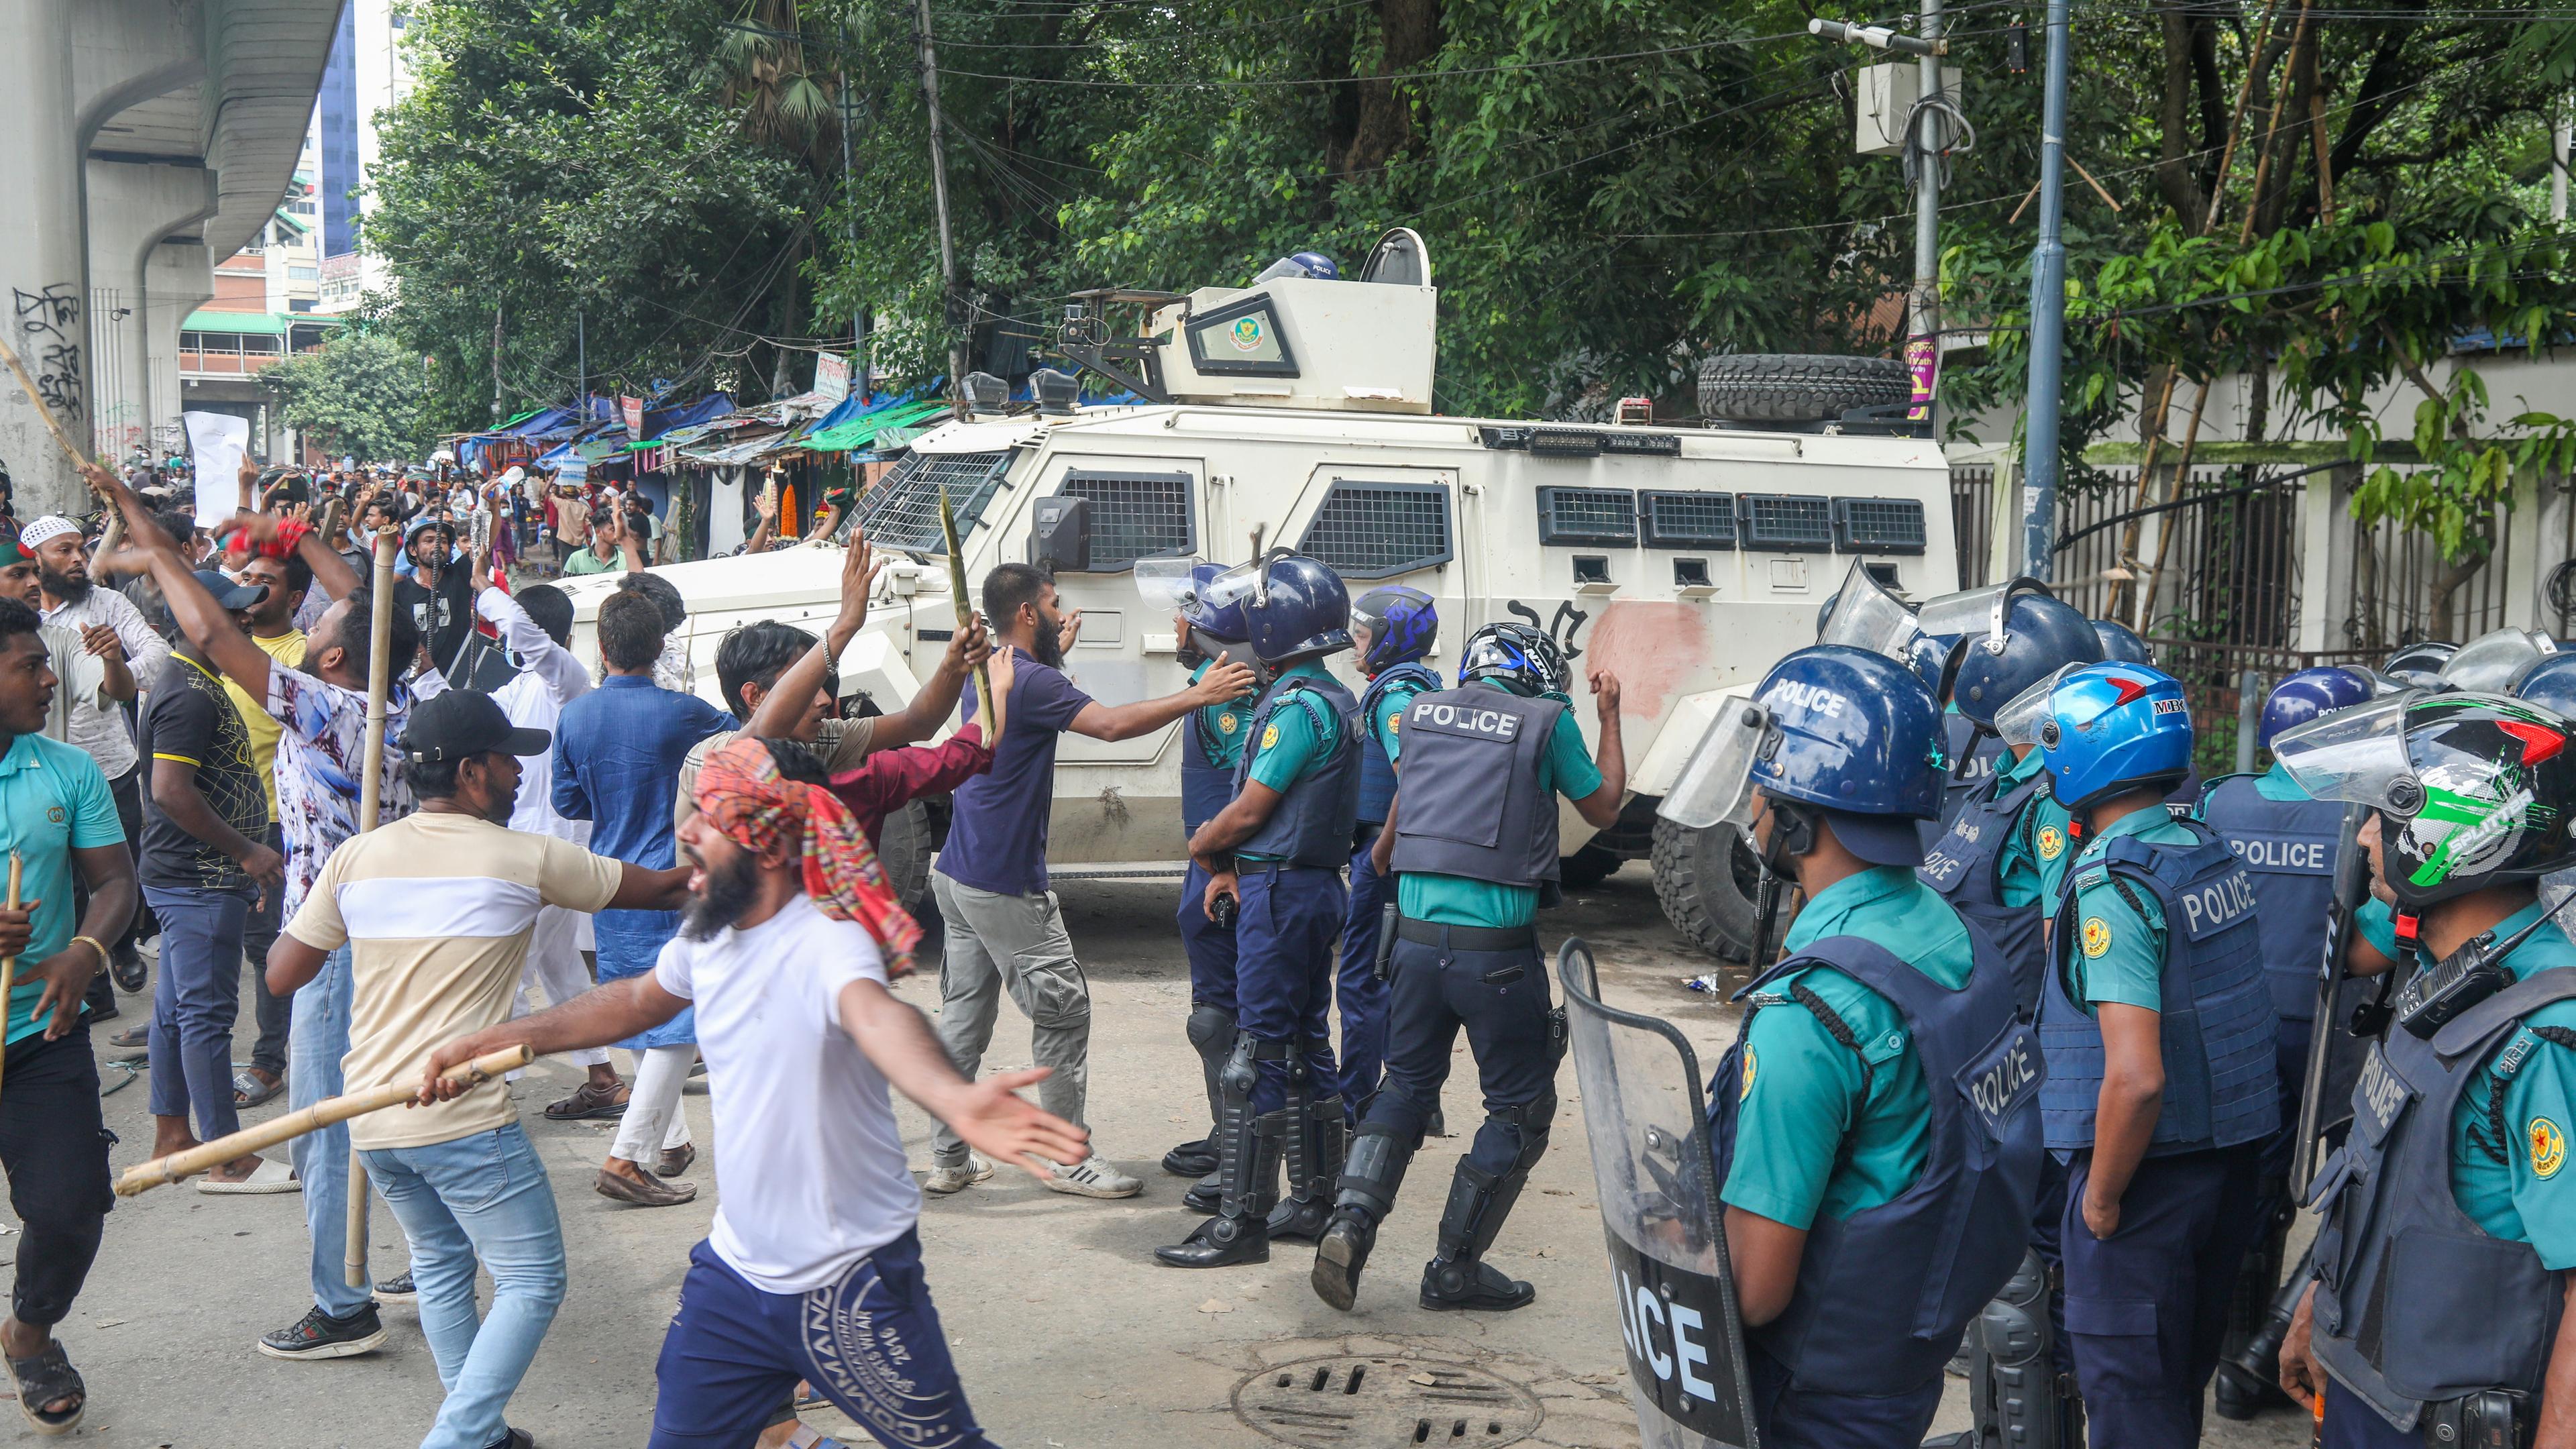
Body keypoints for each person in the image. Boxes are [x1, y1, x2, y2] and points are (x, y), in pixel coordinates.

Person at [414, 737, 1085, 1449]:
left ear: (766, 847)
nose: (685, 832)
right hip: (732, 1280)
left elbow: (880, 1016)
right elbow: (637, 1001)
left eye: (709, 818)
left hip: (847, 1286)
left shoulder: (827, 942)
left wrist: (952, 1098)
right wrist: (497, 1038)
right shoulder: (711, 935)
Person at [267, 689, 690, 1449]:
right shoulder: (522, 856)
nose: (519, 774)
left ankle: (479, 1430)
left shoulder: (356, 857)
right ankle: (458, 1439)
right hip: (460, 1120)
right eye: (507, 760)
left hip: (374, 1117)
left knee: (440, 1263)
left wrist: (335, 897)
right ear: (471, 772)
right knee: (534, 1280)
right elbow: (660, 889)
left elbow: (281, 973)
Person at [87, 464, 427, 1360]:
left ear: (334, 656)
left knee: (321, 1127)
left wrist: (162, 558)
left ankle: (341, 1305)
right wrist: (139, 518)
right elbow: (365, 597)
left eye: (319, 621)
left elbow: (204, 624)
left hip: (340, 945)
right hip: (403, 941)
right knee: (405, 1112)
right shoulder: (407, 705)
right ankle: (434, 1264)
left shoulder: (332, 713)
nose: (312, 614)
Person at [1682, 645, 2044, 1446]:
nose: (1751, 807)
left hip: (1808, 1393)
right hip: (1904, 1355)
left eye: (1763, 789)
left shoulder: (1810, 1016)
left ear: (1801, 817)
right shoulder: (1956, 936)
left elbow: (1754, 1294)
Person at [2268, 690, 2576, 1449]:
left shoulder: (2544, 1036)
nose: (2368, 836)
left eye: (2387, 814)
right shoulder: (2444, 980)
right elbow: (2385, 1177)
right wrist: (2319, 1310)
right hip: (2373, 1392)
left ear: (2459, 831)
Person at [1309, 621, 1626, 1309]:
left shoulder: (1419, 713)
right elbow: (1603, 807)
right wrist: (1608, 717)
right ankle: (1453, 1268)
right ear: (1535, 673)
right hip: (1497, 960)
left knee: (1405, 1088)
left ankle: (1350, 1222)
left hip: (1415, 948)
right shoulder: (1546, 722)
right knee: (1519, 1109)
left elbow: (1383, 853)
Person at [924, 561, 1251, 1199]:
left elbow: (1037, 703)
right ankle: (1069, 1158)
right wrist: (1198, 695)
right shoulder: (1034, 678)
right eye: (1052, 604)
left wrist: (1059, 656)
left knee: (964, 1020)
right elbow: (1109, 725)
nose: (1060, 612)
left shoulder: (987, 665)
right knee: (1064, 1014)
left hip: (958, 873)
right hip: (1004, 881)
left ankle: (949, 1158)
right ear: (1026, 613)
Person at [2025, 661, 2279, 1449]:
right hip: (2226, 1169)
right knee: (2173, 1389)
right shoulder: (2202, 846)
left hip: (2145, 1184)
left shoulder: (2114, 884)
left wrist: (2100, 1198)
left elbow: (2136, 1080)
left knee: (2132, 1406)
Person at [1160, 555, 1363, 1267]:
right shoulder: (1335, 698)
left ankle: (1240, 1225)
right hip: (1302, 887)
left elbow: (1251, 808)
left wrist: (1206, 845)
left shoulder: (1298, 708)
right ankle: (1313, 1200)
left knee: (1256, 1058)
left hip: (1281, 894)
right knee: (1308, 1048)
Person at [2192, 665, 2377, 1418]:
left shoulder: (2221, 800)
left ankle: (2231, 1352)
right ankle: (2282, 1354)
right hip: (2338, 1037)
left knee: (2251, 1185)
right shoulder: (2365, 817)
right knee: (2347, 1195)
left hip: (2236, 1031)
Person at [0, 595, 140, 1437]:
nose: (50, 679)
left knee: (70, 1206)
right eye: (29, 666)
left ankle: (30, 1332)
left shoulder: (67, 768)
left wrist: (83, 953)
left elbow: (117, 883)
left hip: (39, 1032)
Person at [553, 588, 734, 1206]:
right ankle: (628, 1155)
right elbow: (746, 746)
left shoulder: (575, 717)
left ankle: (670, 1140)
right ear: (660, 649)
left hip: (613, 878)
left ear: (602, 650)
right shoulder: (688, 711)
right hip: (677, 879)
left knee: (641, 1012)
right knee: (678, 1021)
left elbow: (568, 802)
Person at [25, 512, 167, 1014]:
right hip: (41, 773)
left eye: (81, 549)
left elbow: (157, 654)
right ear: (35, 561)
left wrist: (114, 667)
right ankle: (93, 989)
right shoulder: (23, 621)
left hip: (109, 765)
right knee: (64, 882)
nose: (78, 559)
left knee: (115, 870)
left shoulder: (106, 605)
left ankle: (123, 943)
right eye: (63, 551)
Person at [1163, 566, 1262, 1199]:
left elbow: (1243, 797)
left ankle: (1246, 1157)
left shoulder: (1228, 692)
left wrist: (1222, 866)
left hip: (1227, 873)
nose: (1174, 625)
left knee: (1232, 1020)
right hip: (1210, 866)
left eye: (1184, 615)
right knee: (1217, 1016)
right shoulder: (1214, 681)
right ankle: (1228, 1134)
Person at [220, 544, 327, 1110]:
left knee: (272, 948)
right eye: (246, 576)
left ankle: (270, 1061)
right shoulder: (221, 649)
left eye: (265, 580)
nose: (251, 585)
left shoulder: (301, 655)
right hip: (220, 822)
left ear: (294, 598)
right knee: (231, 943)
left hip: (273, 823)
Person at [1336, 586, 1440, 1122]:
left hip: (1386, 859)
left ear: (1389, 641)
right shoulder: (1416, 687)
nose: (1355, 643)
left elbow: (1415, 779)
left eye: (1362, 635)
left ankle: (1355, 1106)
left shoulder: (1395, 698)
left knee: (1363, 983)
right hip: (1397, 856)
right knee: (1401, 982)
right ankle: (1413, 1099)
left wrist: (1381, 851)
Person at [563, 506, 643, 578]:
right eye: (613, 529)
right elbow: (565, 589)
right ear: (598, 532)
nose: (618, 533)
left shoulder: (626, 559)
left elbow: (638, 585)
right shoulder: (576, 559)